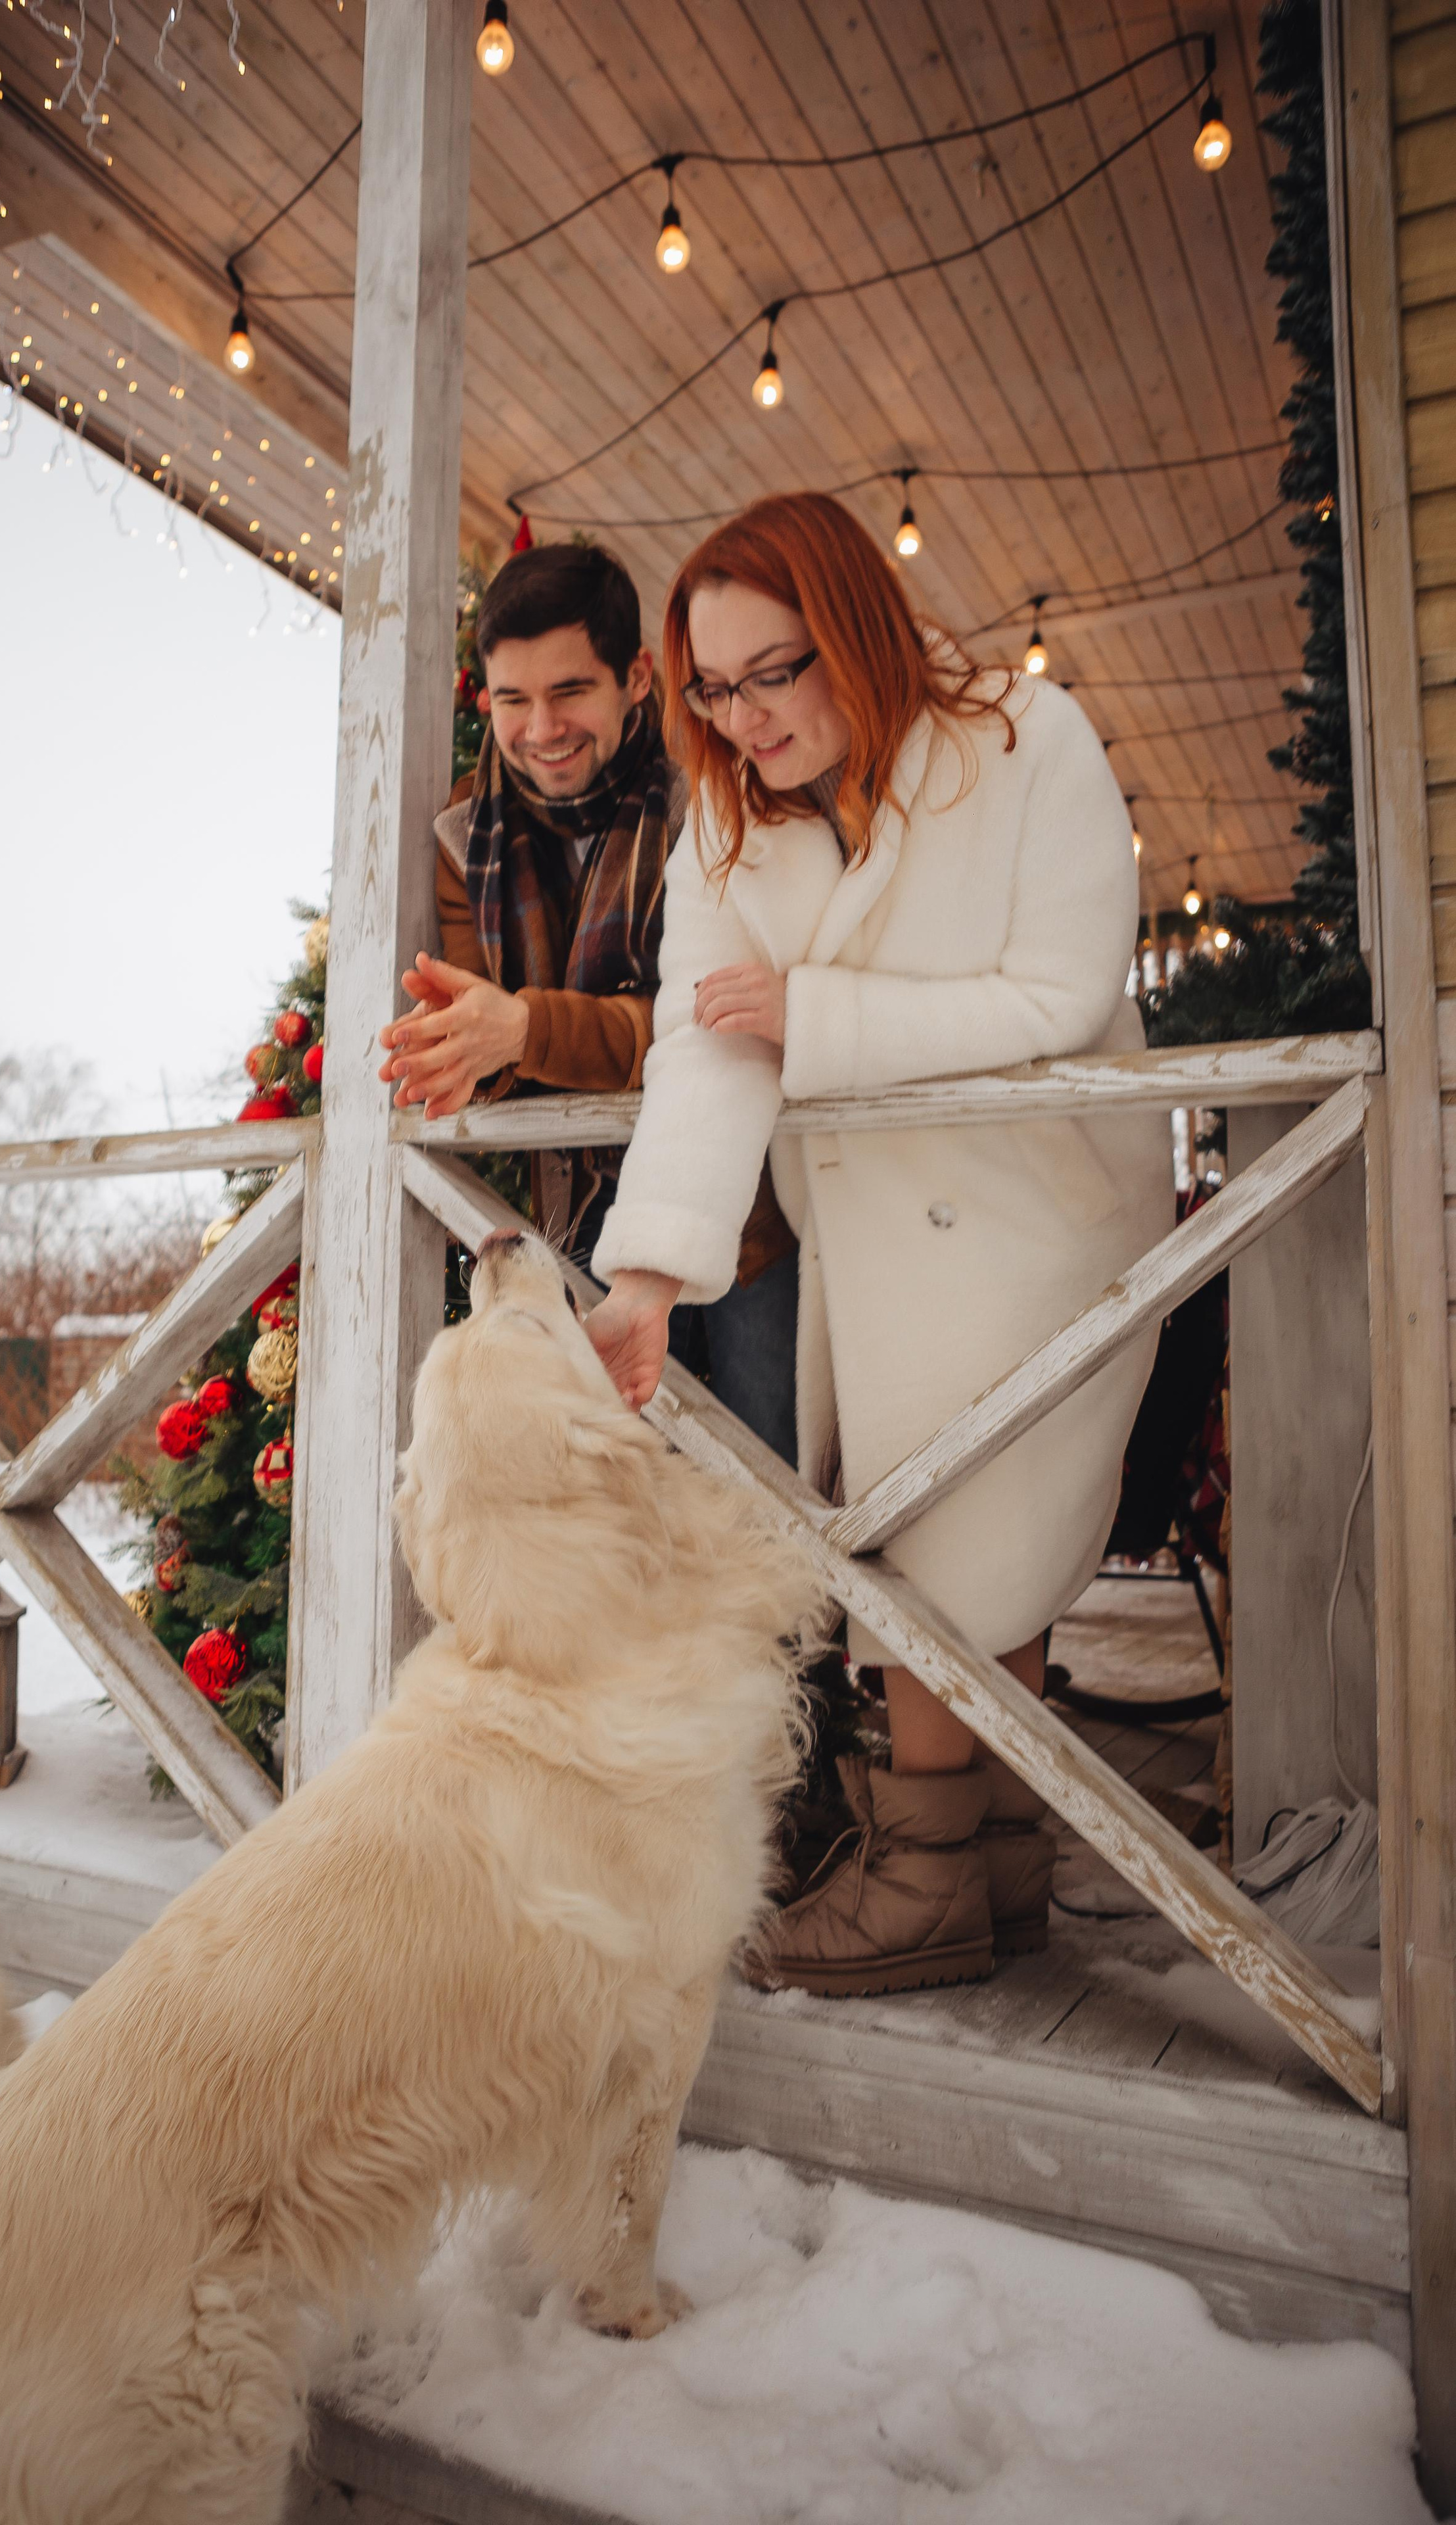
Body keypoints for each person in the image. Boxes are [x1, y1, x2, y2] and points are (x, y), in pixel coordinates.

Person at [584, 493, 1171, 1994]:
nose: (740, 718)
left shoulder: (1026, 741)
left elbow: (1056, 990)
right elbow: (706, 1048)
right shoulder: (725, 815)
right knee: (945, 1527)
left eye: (770, 670)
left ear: (849, 623)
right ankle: (996, 1866)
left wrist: (818, 1020)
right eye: (710, 687)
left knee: (965, 1531)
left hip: (1046, 1202)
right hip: (878, 1219)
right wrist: (645, 1273)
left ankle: (923, 1884)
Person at [379, 538, 799, 1464]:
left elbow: (706, 1022)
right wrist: (472, 1049)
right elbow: (478, 1041)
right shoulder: (466, 834)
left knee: (768, 1485)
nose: (539, 728)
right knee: (619, 1492)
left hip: (740, 1218)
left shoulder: (714, 804)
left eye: (570, 691)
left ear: (636, 677)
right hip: (570, 1227)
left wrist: (524, 1029)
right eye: (512, 700)